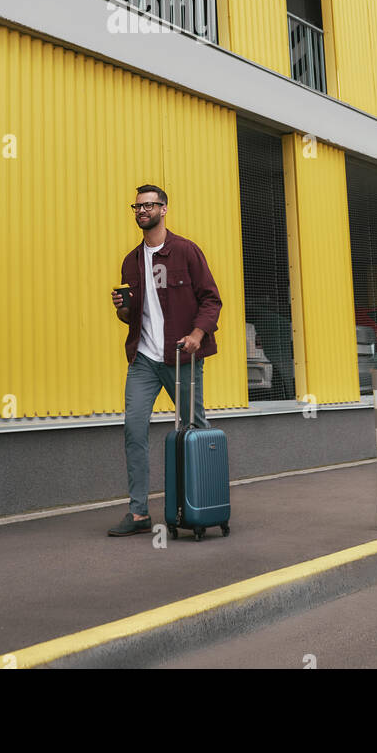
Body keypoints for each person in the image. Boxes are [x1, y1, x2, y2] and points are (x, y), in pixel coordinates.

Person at [107, 184, 222, 537]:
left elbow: (211, 300)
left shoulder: (185, 252)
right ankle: (139, 513)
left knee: (194, 430)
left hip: (180, 357)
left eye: (149, 205)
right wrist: (122, 308)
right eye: (137, 207)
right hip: (143, 359)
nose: (142, 211)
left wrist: (197, 336)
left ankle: (203, 503)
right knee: (134, 430)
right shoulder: (131, 261)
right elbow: (133, 316)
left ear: (163, 209)